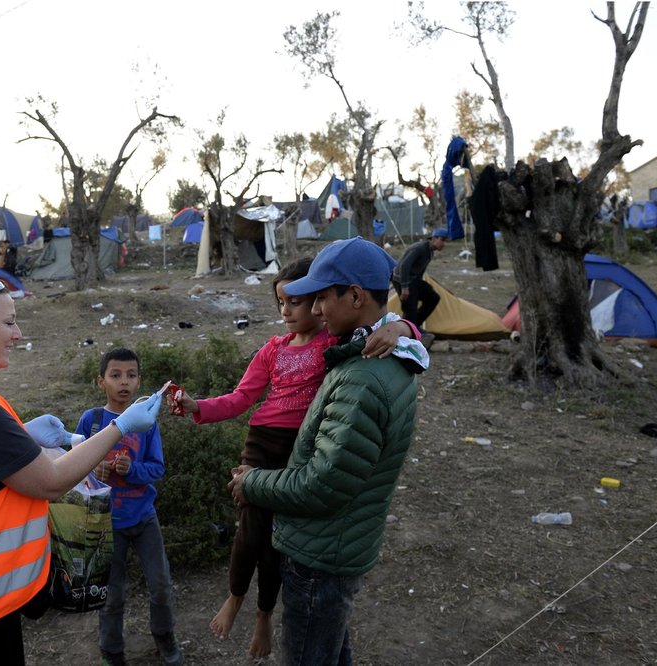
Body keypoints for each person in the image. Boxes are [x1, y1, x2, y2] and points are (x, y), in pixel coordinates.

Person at [0, 273, 162, 664]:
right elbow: (51, 482)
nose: (18, 334)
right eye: (8, 322)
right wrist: (120, 427)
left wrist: (20, 435)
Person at [173, 258, 427, 659]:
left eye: (304, 300)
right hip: (263, 441)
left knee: (279, 541)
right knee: (251, 529)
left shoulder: (335, 343)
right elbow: (241, 398)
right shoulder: (272, 350)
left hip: (299, 446)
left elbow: (387, 327)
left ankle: (263, 614)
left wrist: (402, 327)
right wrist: (196, 406)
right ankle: (237, 597)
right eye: (281, 302)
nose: (288, 311)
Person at [75, 348, 182, 666]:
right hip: (106, 524)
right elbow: (73, 467)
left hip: (144, 517)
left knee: (161, 586)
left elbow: (157, 469)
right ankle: (111, 651)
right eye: (115, 375)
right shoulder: (91, 421)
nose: (124, 382)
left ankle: (165, 637)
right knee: (111, 596)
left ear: (139, 382)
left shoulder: (146, 422)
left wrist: (130, 469)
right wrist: (94, 470)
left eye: (131, 375)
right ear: (101, 381)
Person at [391, 228, 448, 336]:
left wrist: (419, 286)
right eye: (442, 240)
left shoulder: (430, 251)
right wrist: (404, 287)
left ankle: (414, 326)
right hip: (402, 280)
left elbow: (420, 270)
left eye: (445, 241)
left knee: (433, 298)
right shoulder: (420, 248)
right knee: (410, 309)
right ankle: (408, 331)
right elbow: (404, 266)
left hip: (414, 280)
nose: (444, 243)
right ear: (434, 238)